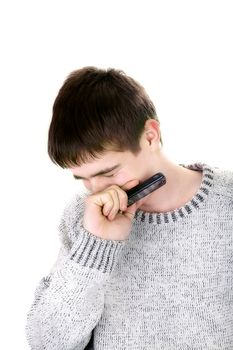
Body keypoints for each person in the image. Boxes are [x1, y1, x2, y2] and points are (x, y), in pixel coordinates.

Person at [25, 66, 233, 349]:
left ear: (150, 136)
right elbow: (46, 343)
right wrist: (96, 246)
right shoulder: (84, 216)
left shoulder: (227, 202)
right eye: (83, 178)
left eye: (109, 173)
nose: (98, 190)